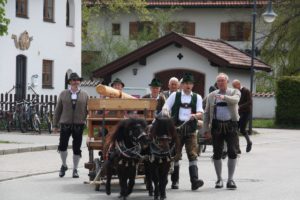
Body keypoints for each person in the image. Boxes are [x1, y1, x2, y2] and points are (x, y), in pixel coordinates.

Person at [162, 73, 204, 191]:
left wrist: (195, 115)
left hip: (190, 130)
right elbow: (165, 107)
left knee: (193, 155)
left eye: (190, 84)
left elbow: (201, 113)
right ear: (182, 85)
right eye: (186, 83)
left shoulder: (197, 97)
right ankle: (175, 181)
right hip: (176, 130)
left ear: (193, 85)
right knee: (176, 155)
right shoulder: (175, 95)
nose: (188, 86)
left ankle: (194, 181)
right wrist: (166, 112)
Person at [203, 73, 240, 189]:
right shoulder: (211, 95)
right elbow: (206, 113)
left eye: (222, 80)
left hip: (231, 125)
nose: (220, 83)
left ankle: (230, 179)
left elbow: (235, 100)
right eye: (218, 81)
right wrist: (205, 129)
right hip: (216, 126)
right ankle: (219, 179)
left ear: (227, 82)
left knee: (232, 151)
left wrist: (224, 98)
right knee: (217, 153)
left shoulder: (234, 92)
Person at [53, 72, 89, 178]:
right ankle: (64, 165)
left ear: (79, 82)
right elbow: (57, 110)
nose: (75, 82)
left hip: (79, 124)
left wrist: (87, 120)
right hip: (65, 124)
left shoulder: (85, 95)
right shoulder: (63, 94)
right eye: (73, 80)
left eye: (77, 80)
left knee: (77, 148)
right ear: (70, 82)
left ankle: (75, 169)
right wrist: (55, 125)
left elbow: (89, 110)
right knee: (62, 146)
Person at [232, 79, 253, 153]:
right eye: (233, 86)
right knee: (235, 129)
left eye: (234, 86)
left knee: (242, 129)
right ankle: (237, 148)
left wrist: (240, 106)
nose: (234, 88)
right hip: (238, 113)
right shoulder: (235, 92)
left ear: (238, 84)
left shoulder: (246, 91)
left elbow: (249, 102)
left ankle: (249, 142)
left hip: (246, 112)